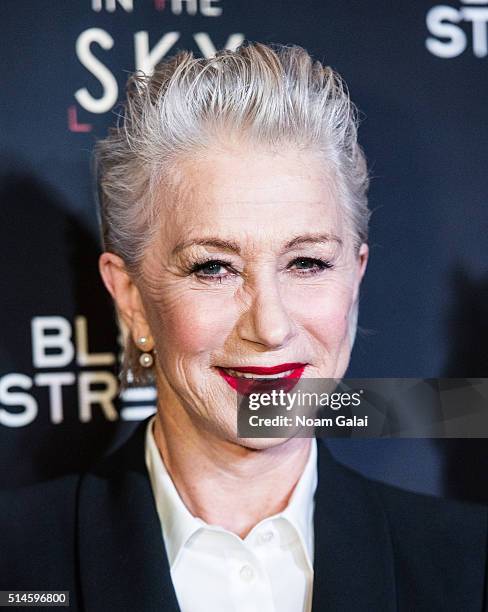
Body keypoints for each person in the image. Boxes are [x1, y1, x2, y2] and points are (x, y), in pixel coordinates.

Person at [1, 43, 487, 612]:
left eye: (306, 262)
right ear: (131, 297)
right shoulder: (16, 562)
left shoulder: (467, 565)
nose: (271, 326)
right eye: (214, 267)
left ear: (354, 279)